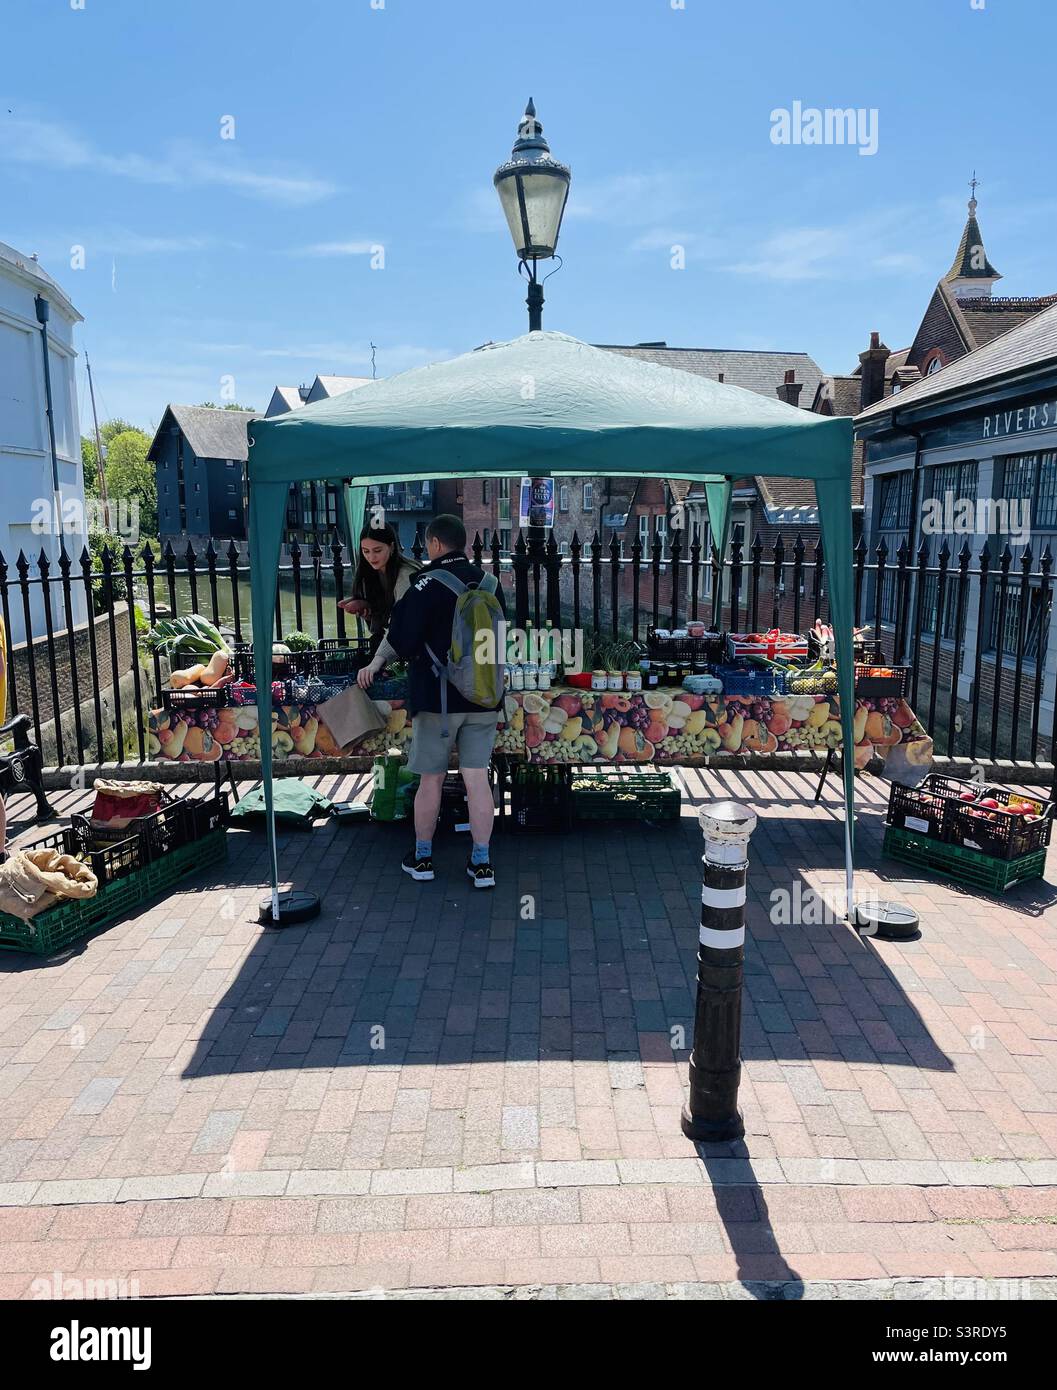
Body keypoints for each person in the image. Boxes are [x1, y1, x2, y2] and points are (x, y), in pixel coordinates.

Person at [365, 513, 505, 889]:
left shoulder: (425, 584)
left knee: (431, 779)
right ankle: (482, 863)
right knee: (477, 779)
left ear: (436, 544)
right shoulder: (491, 583)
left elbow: (402, 640)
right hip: (485, 697)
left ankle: (423, 858)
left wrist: (378, 661)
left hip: (437, 700)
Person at [338, 521, 420, 670]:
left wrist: (376, 664)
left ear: (392, 547)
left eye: (377, 550)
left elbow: (400, 623)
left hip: (414, 649)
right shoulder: (369, 574)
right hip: (391, 645)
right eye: (366, 551)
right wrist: (366, 608)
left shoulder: (406, 575)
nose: (371, 557)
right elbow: (379, 627)